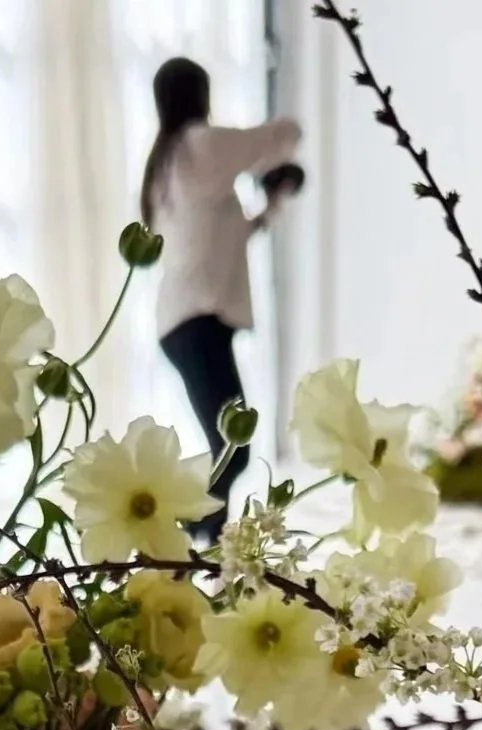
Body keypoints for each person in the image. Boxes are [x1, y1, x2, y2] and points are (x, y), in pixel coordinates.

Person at [140, 57, 302, 532]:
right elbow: (284, 131)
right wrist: (277, 163)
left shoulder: (168, 163)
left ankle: (197, 543)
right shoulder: (201, 145)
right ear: (199, 94)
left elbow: (224, 237)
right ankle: (186, 536)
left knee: (227, 450)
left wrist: (273, 201)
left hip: (187, 322)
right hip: (196, 322)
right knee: (233, 451)